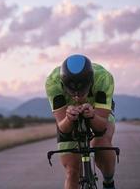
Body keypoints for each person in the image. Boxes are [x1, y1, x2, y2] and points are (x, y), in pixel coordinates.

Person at [45, 54, 116, 189]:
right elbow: (63, 128)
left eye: (82, 90)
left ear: (91, 81)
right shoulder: (52, 82)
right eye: (72, 91)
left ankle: (109, 181)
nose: (77, 96)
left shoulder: (103, 78)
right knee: (72, 171)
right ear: (63, 83)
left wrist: (93, 116)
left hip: (97, 108)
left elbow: (101, 127)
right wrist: (69, 118)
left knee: (101, 144)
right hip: (68, 112)